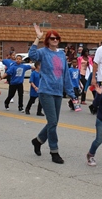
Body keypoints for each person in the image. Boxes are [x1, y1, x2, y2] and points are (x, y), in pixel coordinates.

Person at [29, 25, 78, 164]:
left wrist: (71, 92)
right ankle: (54, 152)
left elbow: (66, 75)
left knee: (53, 122)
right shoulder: (43, 52)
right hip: (46, 91)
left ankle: (38, 141)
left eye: (57, 38)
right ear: (47, 40)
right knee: (52, 122)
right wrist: (37, 37)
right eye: (52, 38)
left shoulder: (62, 54)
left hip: (57, 92)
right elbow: (32, 55)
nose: (55, 40)